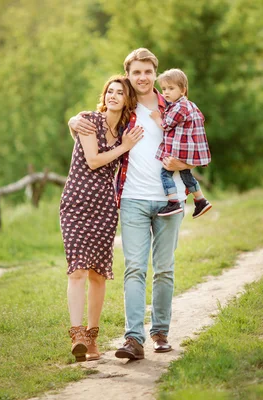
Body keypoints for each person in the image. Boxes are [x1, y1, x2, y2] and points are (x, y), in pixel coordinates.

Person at [69, 48, 194, 360]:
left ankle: (161, 332)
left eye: (148, 72)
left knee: (164, 269)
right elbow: (95, 120)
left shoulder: (175, 106)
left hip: (170, 198)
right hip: (132, 199)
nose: (143, 77)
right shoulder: (125, 107)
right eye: (136, 72)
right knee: (135, 268)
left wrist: (182, 162)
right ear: (128, 75)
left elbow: (197, 142)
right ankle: (134, 339)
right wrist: (74, 120)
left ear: (155, 73)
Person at [60, 76, 143, 362]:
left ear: (127, 100)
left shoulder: (126, 131)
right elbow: (94, 159)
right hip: (76, 203)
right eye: (110, 91)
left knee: (97, 274)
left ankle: (93, 338)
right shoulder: (88, 120)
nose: (113, 95)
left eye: (120, 92)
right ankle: (77, 334)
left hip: (105, 207)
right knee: (77, 270)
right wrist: (123, 148)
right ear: (104, 95)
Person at [150, 68, 212, 218]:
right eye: (164, 89)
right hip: (188, 149)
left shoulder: (179, 107)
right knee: (186, 174)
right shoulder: (191, 105)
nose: (166, 92)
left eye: (171, 88)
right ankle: (201, 199)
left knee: (165, 173)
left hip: (178, 150)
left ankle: (173, 202)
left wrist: (157, 117)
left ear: (183, 90)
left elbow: (166, 125)